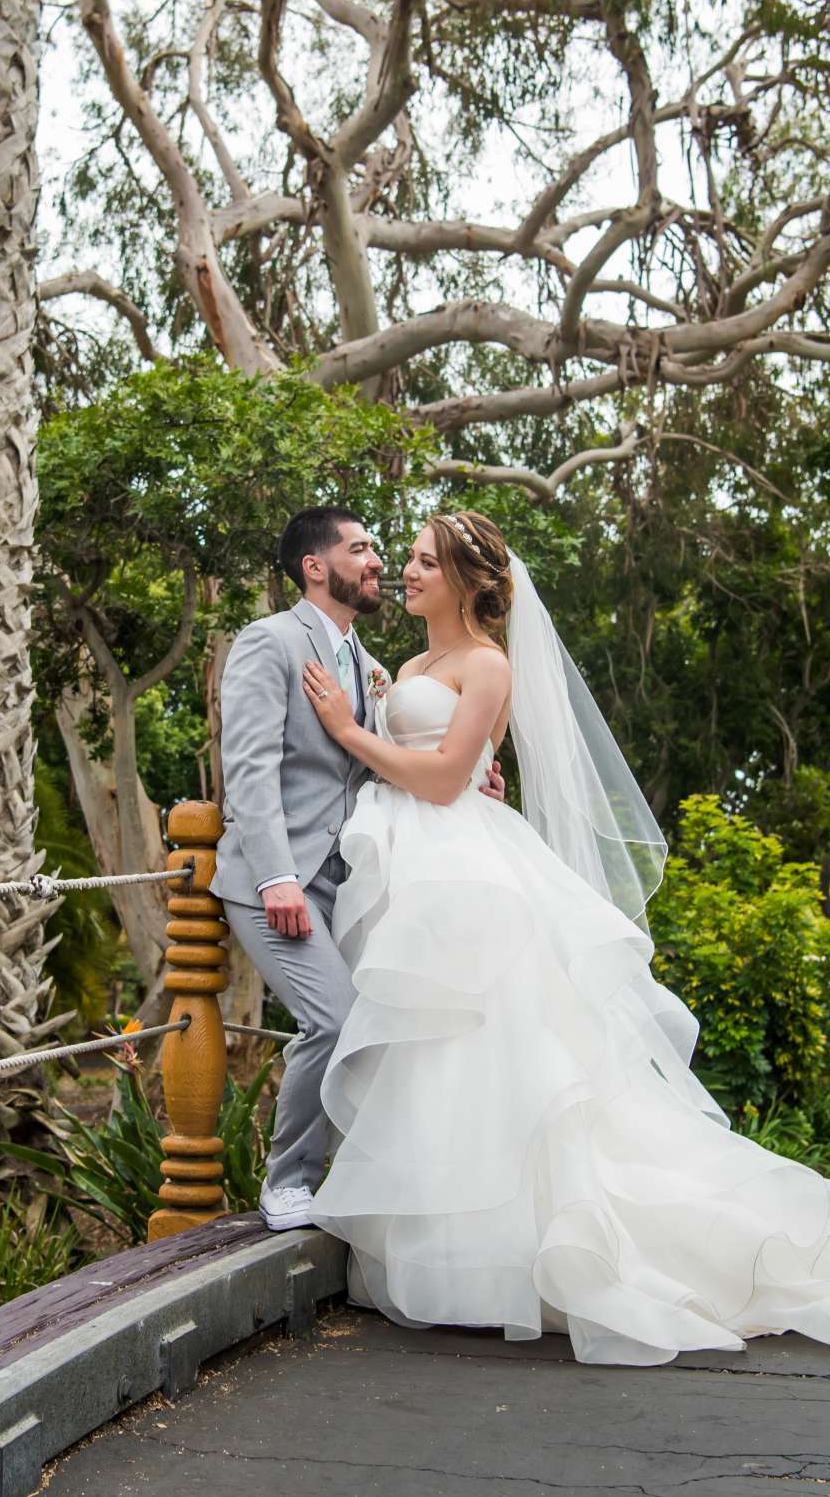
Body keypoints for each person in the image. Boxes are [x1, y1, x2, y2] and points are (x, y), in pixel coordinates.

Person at [292, 510, 830, 1365]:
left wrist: (352, 730)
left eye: (423, 562)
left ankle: (550, 1255)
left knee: (499, 1057)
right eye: (408, 559)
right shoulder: (415, 663)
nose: (407, 571)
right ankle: (457, 1255)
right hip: (416, 870)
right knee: (439, 1065)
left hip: (466, 873)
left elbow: (452, 773)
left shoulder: (489, 663)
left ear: (465, 581)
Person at [210, 507, 505, 1230]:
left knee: (391, 1024)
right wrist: (275, 875)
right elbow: (248, 767)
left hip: (348, 882)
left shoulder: (374, 667)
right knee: (335, 1019)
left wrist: (474, 781)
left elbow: (396, 764)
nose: (380, 563)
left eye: (385, 552)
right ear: (317, 566)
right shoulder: (269, 642)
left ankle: (374, 1186)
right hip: (274, 882)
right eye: (363, 549)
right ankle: (288, 1185)